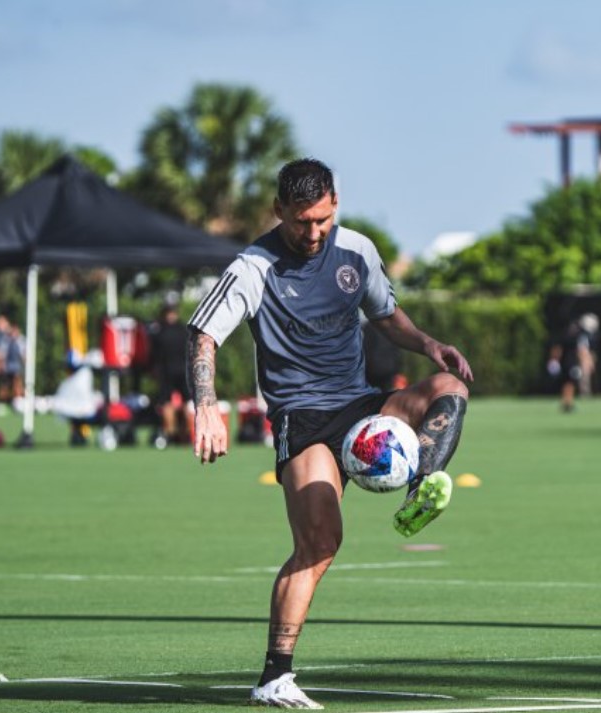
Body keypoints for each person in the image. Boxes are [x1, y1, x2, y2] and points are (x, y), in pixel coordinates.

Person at [187, 158, 472, 709]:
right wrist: (205, 407)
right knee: (319, 545)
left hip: (362, 407)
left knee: (448, 387)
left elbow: (385, 315)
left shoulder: (357, 250)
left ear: (335, 203)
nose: (313, 232)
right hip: (304, 421)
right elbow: (203, 335)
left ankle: (423, 486)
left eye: (321, 219)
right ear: (279, 211)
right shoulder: (252, 267)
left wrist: (429, 345)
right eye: (301, 222)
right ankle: (275, 677)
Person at [148, 304, 191, 444]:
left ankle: (179, 433)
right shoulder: (184, 330)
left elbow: (152, 354)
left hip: (173, 371)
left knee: (177, 403)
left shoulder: (158, 331)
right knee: (170, 403)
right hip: (172, 371)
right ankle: (177, 434)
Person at [546, 314, 598, 412]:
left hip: (566, 362)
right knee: (570, 382)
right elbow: (580, 350)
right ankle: (568, 401)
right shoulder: (576, 337)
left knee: (568, 382)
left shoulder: (566, 335)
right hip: (571, 362)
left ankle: (567, 401)